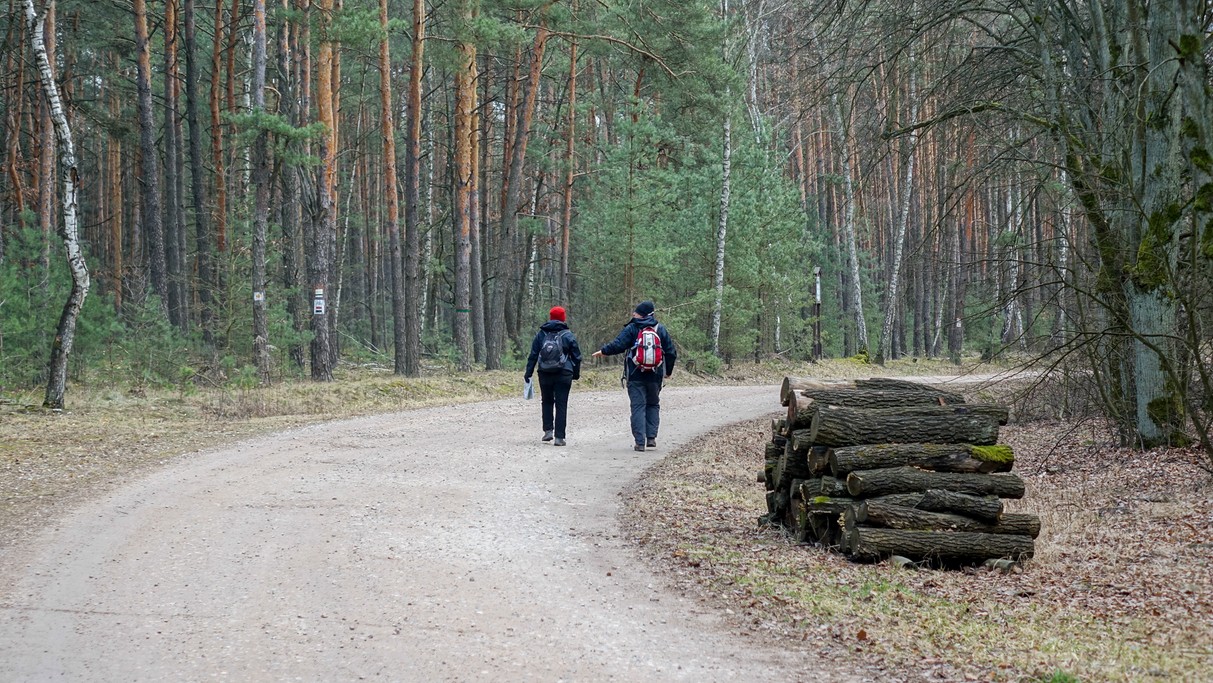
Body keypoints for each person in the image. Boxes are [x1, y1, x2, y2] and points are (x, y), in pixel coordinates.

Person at [591, 301, 677, 452]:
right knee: (653, 404)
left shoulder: (632, 328)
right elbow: (671, 352)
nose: (633, 314)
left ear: (642, 314)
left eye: (636, 312)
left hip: (635, 374)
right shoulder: (659, 329)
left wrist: (603, 351)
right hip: (655, 375)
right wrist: (667, 372)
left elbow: (618, 344)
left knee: (638, 406)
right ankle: (651, 438)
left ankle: (639, 442)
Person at [524, 306, 582, 446]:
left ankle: (548, 431)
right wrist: (575, 374)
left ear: (550, 317)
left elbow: (533, 355)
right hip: (564, 373)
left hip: (544, 372)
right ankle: (559, 438)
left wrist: (528, 372)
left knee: (547, 401)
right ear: (563, 318)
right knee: (561, 404)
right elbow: (577, 357)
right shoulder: (567, 335)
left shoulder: (541, 334)